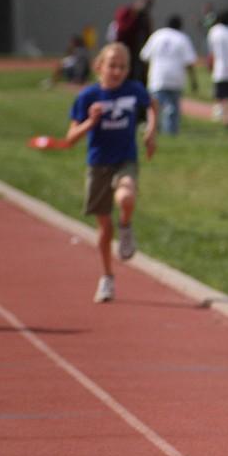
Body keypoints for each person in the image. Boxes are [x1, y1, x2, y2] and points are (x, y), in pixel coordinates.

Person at [65, 43, 157, 303]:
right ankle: (107, 277)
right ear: (99, 67)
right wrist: (89, 123)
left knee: (126, 196)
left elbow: (152, 104)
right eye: (112, 66)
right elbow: (70, 138)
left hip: (125, 160)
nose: (117, 71)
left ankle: (126, 226)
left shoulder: (134, 90)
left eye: (123, 67)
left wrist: (151, 131)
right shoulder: (87, 97)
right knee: (104, 228)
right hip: (98, 164)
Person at [139, 15, 198, 135]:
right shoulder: (182, 38)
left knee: (155, 107)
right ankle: (170, 132)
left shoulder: (157, 35)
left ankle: (153, 129)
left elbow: (144, 56)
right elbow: (190, 62)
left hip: (157, 76)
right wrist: (193, 81)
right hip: (176, 78)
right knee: (172, 109)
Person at [206, 9, 228, 128]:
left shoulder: (214, 31)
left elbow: (211, 52)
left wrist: (210, 64)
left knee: (223, 97)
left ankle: (227, 119)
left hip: (220, 69)